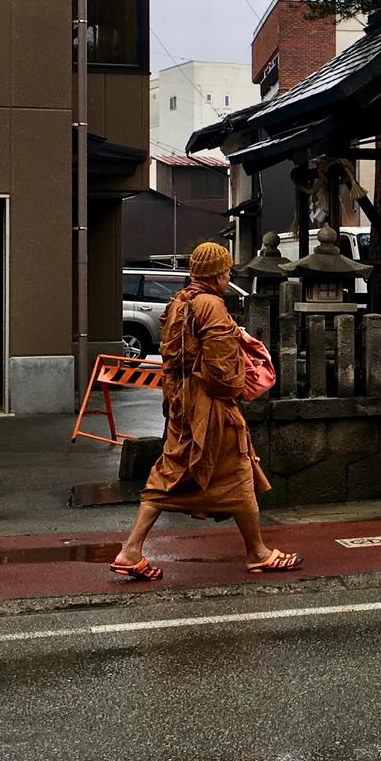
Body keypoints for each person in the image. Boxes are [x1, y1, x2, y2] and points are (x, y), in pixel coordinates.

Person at [108, 242, 300, 580]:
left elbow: (170, 360)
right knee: (238, 471)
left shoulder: (178, 304)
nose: (228, 277)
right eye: (225, 271)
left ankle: (131, 549)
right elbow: (223, 371)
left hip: (182, 405)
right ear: (216, 274)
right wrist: (238, 387)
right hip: (211, 409)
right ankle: (257, 552)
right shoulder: (212, 306)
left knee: (170, 473)